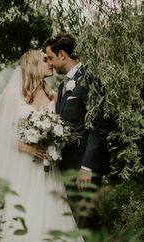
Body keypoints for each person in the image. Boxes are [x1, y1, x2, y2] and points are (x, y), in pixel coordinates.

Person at [0, 50, 82, 242]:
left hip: (46, 168)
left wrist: (54, 140)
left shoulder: (53, 96)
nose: (50, 63)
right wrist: (27, 147)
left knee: (47, 212)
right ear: (32, 65)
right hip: (19, 165)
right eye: (45, 60)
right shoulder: (13, 94)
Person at [44, 33, 111, 227]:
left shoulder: (90, 79)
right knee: (75, 224)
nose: (50, 63)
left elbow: (99, 126)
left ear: (62, 54)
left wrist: (87, 167)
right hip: (67, 166)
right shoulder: (63, 86)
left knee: (86, 223)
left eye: (50, 57)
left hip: (84, 168)